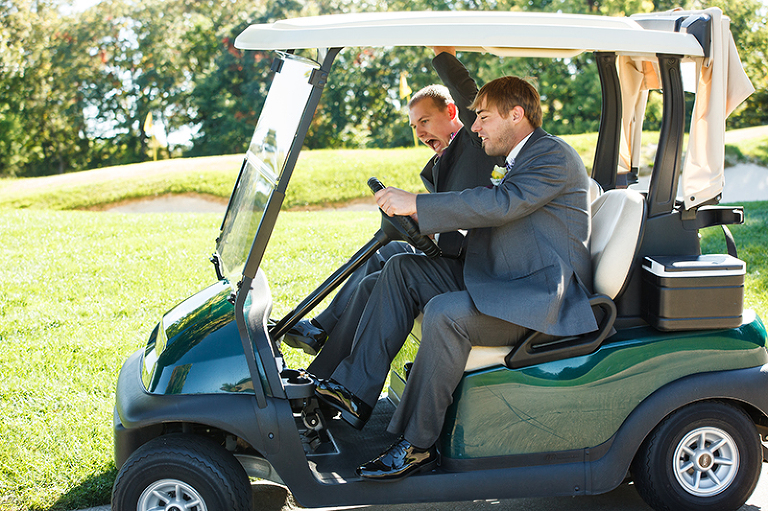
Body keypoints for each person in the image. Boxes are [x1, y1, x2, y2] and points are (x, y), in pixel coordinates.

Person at [314, 74, 597, 481]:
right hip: (504, 280)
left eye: (482, 117)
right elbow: (495, 214)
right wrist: (425, 221)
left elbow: (502, 204)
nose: (476, 126)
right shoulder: (520, 158)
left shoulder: (552, 156)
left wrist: (419, 204)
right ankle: (354, 392)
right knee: (403, 269)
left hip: (540, 300)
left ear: (516, 115)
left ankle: (416, 446)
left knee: (446, 313)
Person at [284, 48, 503, 380]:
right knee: (387, 251)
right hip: (455, 253)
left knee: (387, 274)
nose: (420, 133)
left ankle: (332, 373)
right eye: (415, 126)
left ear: (453, 111)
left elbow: (472, 96)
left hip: (473, 271)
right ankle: (319, 335)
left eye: (425, 121)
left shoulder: (476, 139)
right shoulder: (445, 159)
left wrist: (444, 55)